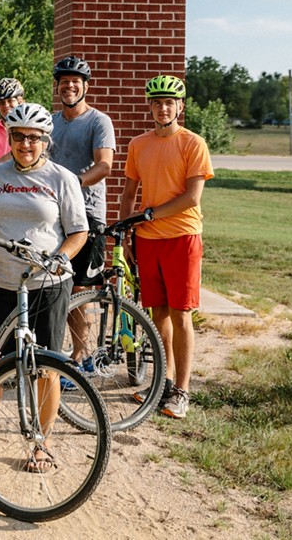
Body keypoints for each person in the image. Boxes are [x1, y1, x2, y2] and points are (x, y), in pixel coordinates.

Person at [0, 102, 88, 465]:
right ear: (10, 138)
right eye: (19, 137)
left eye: (34, 138)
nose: (26, 144)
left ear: (45, 141)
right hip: (1, 281)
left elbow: (78, 232)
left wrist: (61, 257)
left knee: (45, 367)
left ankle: (41, 443)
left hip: (47, 283)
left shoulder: (61, 179)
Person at [118, 75, 214, 420]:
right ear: (150, 107)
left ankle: (183, 391)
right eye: (157, 103)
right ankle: (162, 381)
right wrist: (126, 235)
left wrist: (151, 213)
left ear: (180, 106)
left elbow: (191, 197)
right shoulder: (138, 144)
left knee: (181, 313)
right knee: (157, 312)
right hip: (146, 239)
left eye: (169, 103)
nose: (163, 108)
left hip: (182, 237)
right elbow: (129, 194)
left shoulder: (192, 143)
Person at [48, 56, 117, 371]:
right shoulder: (51, 122)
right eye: (64, 82)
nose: (69, 86)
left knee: (79, 288)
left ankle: (81, 357)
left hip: (86, 214)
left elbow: (105, 165)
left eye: (75, 81)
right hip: (54, 214)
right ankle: (52, 353)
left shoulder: (98, 121)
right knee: (51, 283)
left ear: (85, 86)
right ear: (58, 87)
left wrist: (73, 183)